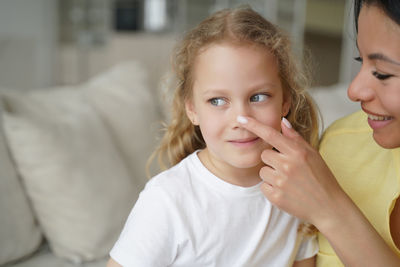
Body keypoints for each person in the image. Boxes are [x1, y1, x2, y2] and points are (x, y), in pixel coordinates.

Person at [107, 6, 320, 267]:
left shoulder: (298, 188)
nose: (242, 120)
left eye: (258, 97)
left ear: (285, 102)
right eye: (217, 100)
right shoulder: (167, 200)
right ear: (192, 109)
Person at [236, 0, 400, 266]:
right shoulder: (337, 147)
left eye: (382, 73)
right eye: (361, 60)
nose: (354, 90)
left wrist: (331, 210)